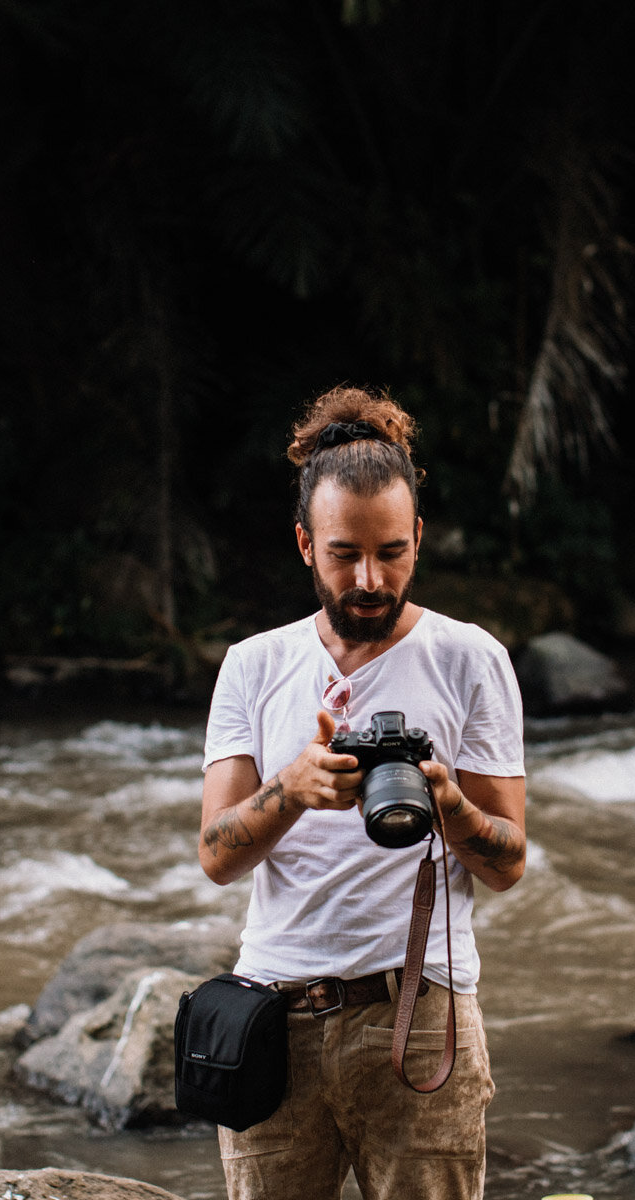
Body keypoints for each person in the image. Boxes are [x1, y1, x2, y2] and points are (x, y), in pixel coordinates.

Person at [199, 385, 527, 1200]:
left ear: (418, 536)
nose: (371, 577)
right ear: (306, 544)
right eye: (345, 553)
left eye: (392, 550)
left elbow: (509, 862)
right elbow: (215, 856)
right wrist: (292, 788)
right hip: (273, 1016)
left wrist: (450, 809)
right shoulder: (254, 664)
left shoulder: (470, 658)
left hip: (419, 1018)